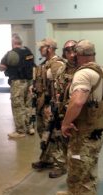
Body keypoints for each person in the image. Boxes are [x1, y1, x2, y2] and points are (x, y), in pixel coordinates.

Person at [59, 39, 103, 195]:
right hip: (97, 129)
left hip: (84, 133)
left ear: (77, 54)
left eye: (72, 52)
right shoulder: (101, 70)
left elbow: (78, 100)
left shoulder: (83, 73)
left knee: (83, 176)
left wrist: (65, 123)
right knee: (86, 169)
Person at [31, 38, 66, 171]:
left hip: (50, 105)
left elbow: (60, 88)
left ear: (49, 48)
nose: (40, 50)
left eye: (42, 47)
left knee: (54, 135)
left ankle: (60, 164)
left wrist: (55, 106)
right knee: (43, 133)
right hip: (41, 104)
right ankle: (47, 159)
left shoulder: (57, 65)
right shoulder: (45, 63)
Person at [47, 40, 78, 178]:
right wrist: (51, 105)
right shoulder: (61, 69)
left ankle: (77, 178)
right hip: (61, 112)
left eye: (74, 50)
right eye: (68, 51)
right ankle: (62, 166)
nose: (71, 54)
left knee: (77, 150)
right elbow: (56, 89)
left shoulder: (84, 70)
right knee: (59, 140)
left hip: (78, 115)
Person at [0, 33, 35, 138]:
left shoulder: (11, 53)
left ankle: (20, 131)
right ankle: (30, 127)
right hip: (29, 82)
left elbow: (2, 67)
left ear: (13, 43)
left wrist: (7, 67)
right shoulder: (28, 51)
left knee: (18, 106)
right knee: (28, 106)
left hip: (18, 83)